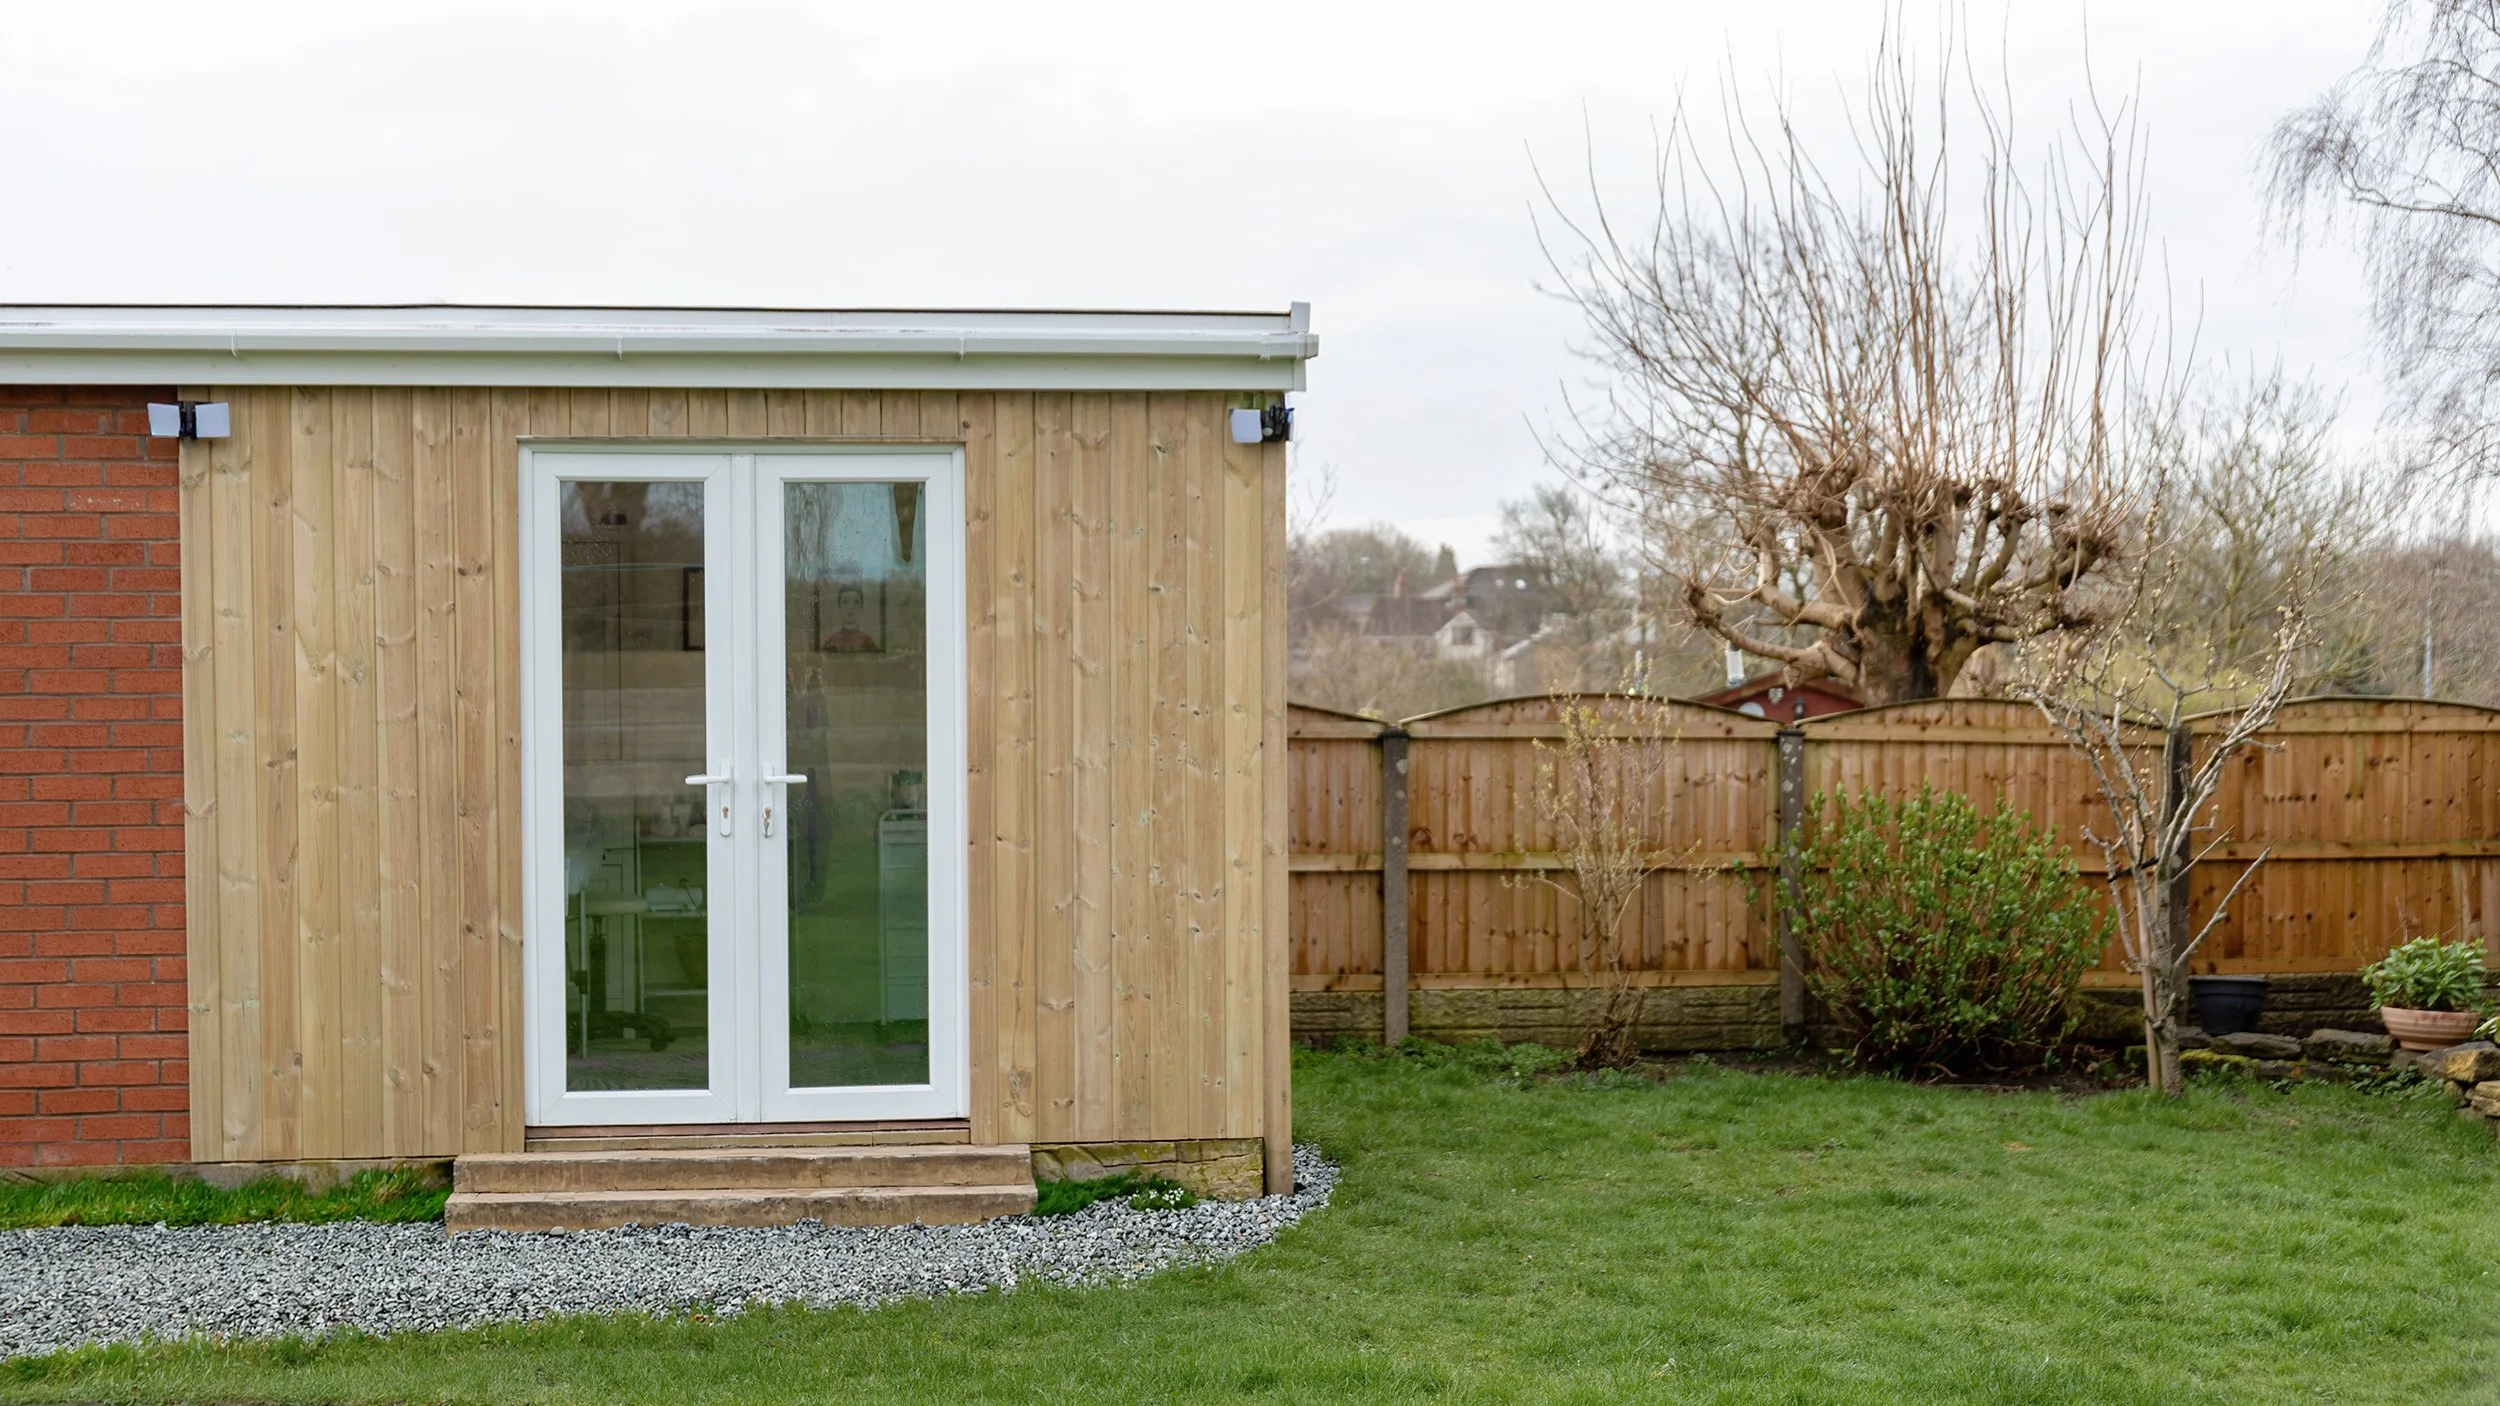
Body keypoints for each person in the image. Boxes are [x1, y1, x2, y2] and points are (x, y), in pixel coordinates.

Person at [820, 582, 878, 652]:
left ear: (861, 608)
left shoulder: (868, 642)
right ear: (839, 608)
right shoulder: (830, 643)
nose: (851, 607)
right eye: (845, 601)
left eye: (856, 602)